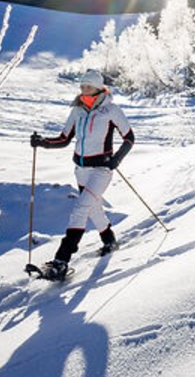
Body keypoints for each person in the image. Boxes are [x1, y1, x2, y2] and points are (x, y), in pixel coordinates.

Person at [30, 70, 135, 280]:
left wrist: (116, 160)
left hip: (101, 170)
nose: (84, 90)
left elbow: (129, 138)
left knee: (80, 209)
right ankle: (109, 240)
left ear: (98, 88)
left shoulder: (111, 110)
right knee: (93, 209)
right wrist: (42, 142)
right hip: (81, 169)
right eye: (82, 86)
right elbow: (64, 139)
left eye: (88, 87)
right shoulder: (77, 111)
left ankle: (61, 260)